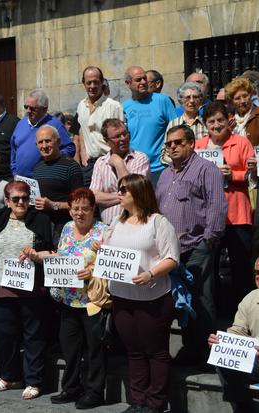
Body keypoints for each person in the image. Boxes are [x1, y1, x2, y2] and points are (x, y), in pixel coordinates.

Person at [99, 174, 179, 413]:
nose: (119, 194)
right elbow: (109, 253)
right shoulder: (116, 223)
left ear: (138, 193)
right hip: (122, 298)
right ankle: (138, 401)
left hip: (152, 299)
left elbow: (172, 258)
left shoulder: (158, 222)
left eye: (124, 190)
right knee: (133, 352)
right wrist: (100, 249)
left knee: (155, 352)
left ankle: (155, 403)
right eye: (119, 190)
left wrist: (151, 274)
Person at [156, 125, 227, 364]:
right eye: (169, 144)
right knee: (181, 300)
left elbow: (216, 207)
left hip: (197, 245)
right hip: (171, 250)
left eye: (178, 142)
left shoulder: (207, 170)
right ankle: (190, 348)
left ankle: (207, 353)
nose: (173, 147)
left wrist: (209, 241)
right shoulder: (165, 174)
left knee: (201, 298)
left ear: (191, 143)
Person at [0, 180, 54, 399]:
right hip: (4, 287)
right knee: (5, 335)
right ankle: (8, 376)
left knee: (33, 335)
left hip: (32, 289)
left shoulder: (40, 219)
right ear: (7, 201)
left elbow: (50, 251)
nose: (21, 202)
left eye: (24, 197)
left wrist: (35, 254)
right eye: (15, 199)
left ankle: (34, 380)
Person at [46, 188, 108, 409]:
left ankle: (94, 392)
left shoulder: (103, 231)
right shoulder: (66, 228)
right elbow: (61, 255)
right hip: (68, 299)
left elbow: (113, 264)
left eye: (85, 209)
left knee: (94, 350)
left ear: (93, 210)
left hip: (92, 301)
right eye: (75, 209)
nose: (80, 213)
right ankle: (71, 388)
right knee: (70, 349)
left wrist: (93, 270)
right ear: (70, 210)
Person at [196, 102, 256, 306]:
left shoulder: (241, 142)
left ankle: (244, 310)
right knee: (209, 265)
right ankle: (216, 308)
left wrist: (234, 174)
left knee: (241, 265)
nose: (216, 125)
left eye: (220, 120)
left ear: (228, 121)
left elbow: (252, 177)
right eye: (211, 121)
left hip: (237, 214)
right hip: (208, 216)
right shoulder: (198, 145)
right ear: (205, 124)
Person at [208, 257, 259, 413]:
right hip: (256, 359)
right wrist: (222, 341)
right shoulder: (251, 298)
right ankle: (242, 405)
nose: (257, 277)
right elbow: (238, 331)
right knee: (223, 355)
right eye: (257, 272)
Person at [89, 118, 150, 225]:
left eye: (125, 134)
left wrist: (118, 163)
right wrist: (125, 196)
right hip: (108, 227)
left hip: (134, 225)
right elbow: (94, 196)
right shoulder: (100, 162)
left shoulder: (140, 158)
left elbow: (135, 192)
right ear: (106, 141)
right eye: (117, 136)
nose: (123, 138)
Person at [122, 66, 177, 183]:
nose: (143, 82)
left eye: (144, 79)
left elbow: (176, 130)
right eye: (138, 80)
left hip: (161, 168)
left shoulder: (162, 101)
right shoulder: (124, 107)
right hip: (135, 169)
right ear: (128, 83)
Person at [32, 125, 84, 244]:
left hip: (63, 229)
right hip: (41, 229)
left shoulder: (71, 167)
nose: (44, 146)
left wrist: (53, 205)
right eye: (40, 142)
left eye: (48, 141)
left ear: (58, 142)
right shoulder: (37, 168)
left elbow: (80, 203)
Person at [76, 66, 125, 186]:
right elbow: (82, 130)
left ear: (102, 82)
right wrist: (83, 155)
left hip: (109, 161)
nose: (92, 86)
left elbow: (122, 136)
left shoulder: (114, 106)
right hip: (90, 164)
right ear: (84, 84)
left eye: (96, 82)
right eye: (89, 83)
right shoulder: (81, 106)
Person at [10, 89, 76, 178]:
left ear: (44, 109)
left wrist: (53, 162)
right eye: (26, 107)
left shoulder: (55, 124)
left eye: (33, 108)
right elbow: (14, 149)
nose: (28, 111)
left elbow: (69, 148)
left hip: (44, 178)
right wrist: (14, 170)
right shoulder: (21, 123)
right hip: (20, 179)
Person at [160, 82, 208, 166]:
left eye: (195, 97)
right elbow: (165, 154)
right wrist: (179, 164)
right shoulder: (174, 123)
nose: (192, 101)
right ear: (181, 100)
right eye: (188, 97)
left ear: (200, 100)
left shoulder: (207, 123)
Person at [226, 76, 259, 144]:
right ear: (231, 101)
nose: (243, 101)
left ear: (250, 95)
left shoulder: (257, 114)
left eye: (245, 96)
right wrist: (228, 130)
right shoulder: (227, 117)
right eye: (237, 98)